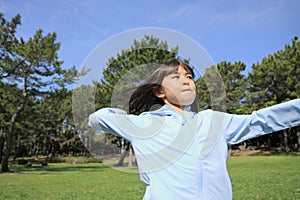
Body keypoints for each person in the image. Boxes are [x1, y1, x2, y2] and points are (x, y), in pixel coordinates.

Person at [88, 59, 300, 200]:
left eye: (189, 77)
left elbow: (258, 121)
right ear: (159, 91)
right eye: (177, 77)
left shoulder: (213, 120)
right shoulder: (144, 124)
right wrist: (128, 118)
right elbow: (97, 118)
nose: (187, 82)